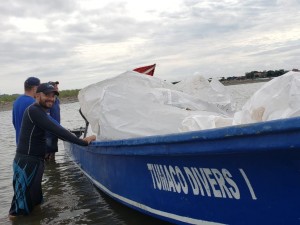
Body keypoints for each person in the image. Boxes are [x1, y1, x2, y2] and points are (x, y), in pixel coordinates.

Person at [9, 83, 96, 217]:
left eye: (53, 96)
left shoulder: (40, 112)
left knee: (36, 202)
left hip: (36, 161)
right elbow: (57, 131)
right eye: (47, 95)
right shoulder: (34, 110)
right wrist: (82, 142)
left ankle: (36, 219)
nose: (51, 99)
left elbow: (57, 127)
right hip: (26, 163)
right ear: (37, 95)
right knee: (20, 208)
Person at [12, 77, 40, 144]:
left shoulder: (16, 101)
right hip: (32, 145)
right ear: (35, 88)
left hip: (20, 145)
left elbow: (14, 122)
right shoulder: (34, 103)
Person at [45, 81, 60, 161]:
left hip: (56, 131)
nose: (57, 88)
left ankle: (52, 171)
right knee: (47, 154)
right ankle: (48, 169)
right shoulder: (47, 102)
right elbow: (46, 118)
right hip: (49, 133)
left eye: (57, 87)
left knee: (53, 153)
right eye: (55, 87)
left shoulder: (57, 100)